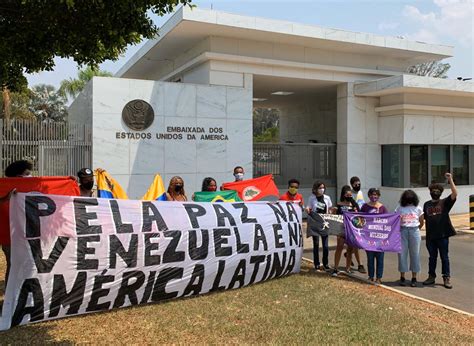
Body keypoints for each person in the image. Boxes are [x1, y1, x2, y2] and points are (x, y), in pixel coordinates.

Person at [0, 160, 33, 288]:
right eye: (27, 173)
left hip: (27, 235)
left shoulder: (31, 188)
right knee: (14, 265)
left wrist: (70, 182)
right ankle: (12, 295)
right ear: (19, 176)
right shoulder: (4, 190)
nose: (30, 175)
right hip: (10, 237)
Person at [422, 173, 457, 289]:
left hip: (443, 236)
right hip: (430, 237)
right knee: (432, 258)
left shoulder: (445, 203)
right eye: (433, 190)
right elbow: (423, 219)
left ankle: (446, 277)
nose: (435, 192)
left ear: (441, 192)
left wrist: (450, 180)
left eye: (437, 190)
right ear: (430, 191)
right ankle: (431, 277)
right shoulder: (426, 204)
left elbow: (454, 194)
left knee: (444, 257)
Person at [332, 185, 365, 276]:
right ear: (343, 194)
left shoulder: (353, 204)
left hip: (351, 229)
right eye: (347, 195)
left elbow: (359, 215)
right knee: (339, 247)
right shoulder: (339, 204)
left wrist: (354, 204)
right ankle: (335, 268)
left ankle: (348, 268)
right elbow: (335, 217)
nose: (349, 196)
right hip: (341, 228)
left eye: (350, 195)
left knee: (350, 249)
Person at [396, 190, 424, 287]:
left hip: (414, 231)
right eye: (408, 199)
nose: (409, 201)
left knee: (415, 254)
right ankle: (402, 276)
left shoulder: (418, 208)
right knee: (402, 254)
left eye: (411, 199)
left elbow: (421, 221)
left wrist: (416, 229)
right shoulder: (400, 208)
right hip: (403, 231)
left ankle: (414, 277)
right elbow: (396, 221)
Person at [361, 188, 388, 284]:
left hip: (380, 237)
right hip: (368, 237)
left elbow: (388, 221)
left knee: (380, 258)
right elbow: (360, 220)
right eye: (372, 194)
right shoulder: (365, 207)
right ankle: (371, 276)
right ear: (369, 196)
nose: (374, 196)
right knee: (370, 258)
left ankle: (379, 277)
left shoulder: (383, 208)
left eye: (376, 194)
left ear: (379, 196)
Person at [306, 181, 332, 271]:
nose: (322, 189)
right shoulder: (311, 198)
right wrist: (307, 209)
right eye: (320, 188)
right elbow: (308, 207)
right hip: (315, 222)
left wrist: (331, 212)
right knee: (316, 244)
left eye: (323, 187)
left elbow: (330, 208)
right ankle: (316, 263)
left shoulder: (327, 198)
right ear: (315, 189)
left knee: (325, 245)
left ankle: (325, 263)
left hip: (325, 222)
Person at [348, 176, 366, 274]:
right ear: (352, 185)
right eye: (356, 184)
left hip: (360, 219)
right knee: (357, 243)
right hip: (353, 220)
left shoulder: (360, 193)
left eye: (359, 183)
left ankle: (348, 253)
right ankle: (360, 265)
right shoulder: (350, 194)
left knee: (358, 243)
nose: (358, 185)